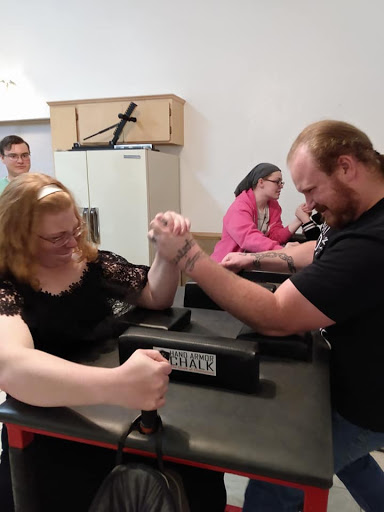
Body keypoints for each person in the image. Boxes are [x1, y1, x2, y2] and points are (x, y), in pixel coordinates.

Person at [149, 120, 384, 512]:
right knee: (352, 462)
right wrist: (253, 257)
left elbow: (276, 315)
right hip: (352, 377)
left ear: (346, 167)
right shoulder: (356, 209)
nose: (308, 204)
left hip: (368, 400)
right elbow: (317, 251)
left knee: (277, 480)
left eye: (311, 190)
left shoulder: (374, 237)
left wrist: (189, 255)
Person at [0, 173, 225, 512]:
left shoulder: (91, 263)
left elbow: (154, 296)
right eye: (56, 238)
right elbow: (13, 366)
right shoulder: (7, 286)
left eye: (75, 230)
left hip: (113, 411)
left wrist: (165, 257)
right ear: (19, 238)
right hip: (55, 424)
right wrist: (117, 385)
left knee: (197, 478)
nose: (72, 244)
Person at [211, 163, 305, 262]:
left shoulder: (273, 207)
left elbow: (275, 237)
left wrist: (299, 220)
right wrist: (282, 251)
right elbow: (249, 238)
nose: (281, 186)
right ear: (261, 182)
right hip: (224, 266)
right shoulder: (240, 207)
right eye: (277, 182)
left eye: (281, 182)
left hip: (247, 265)